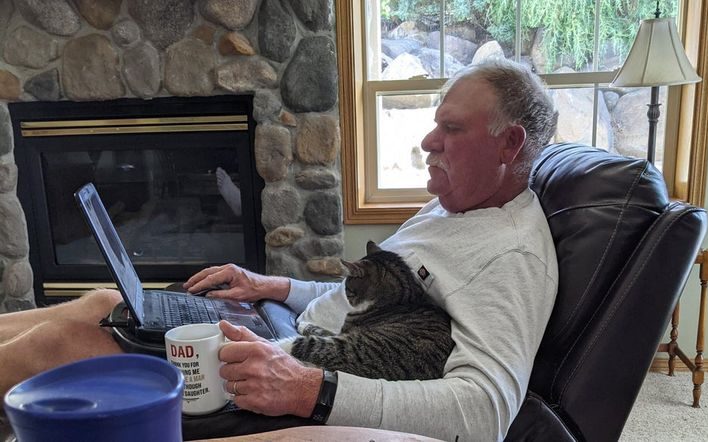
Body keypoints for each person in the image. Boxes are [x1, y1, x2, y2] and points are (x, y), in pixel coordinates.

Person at [0, 59, 558, 441]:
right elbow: (366, 297)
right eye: (435, 125)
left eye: (452, 129)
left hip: (298, 371)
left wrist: (307, 389)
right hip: (284, 332)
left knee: (66, 344)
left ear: (508, 144)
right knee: (106, 303)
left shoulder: (513, 257)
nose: (428, 141)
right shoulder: (452, 207)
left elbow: (484, 413)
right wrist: (275, 286)